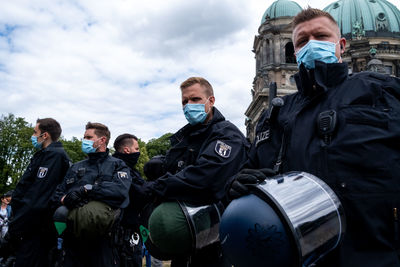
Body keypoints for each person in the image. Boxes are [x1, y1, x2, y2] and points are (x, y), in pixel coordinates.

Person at [228, 7, 400, 267]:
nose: (311, 45)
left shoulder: (381, 91)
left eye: (321, 36)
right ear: (295, 52)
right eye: (302, 41)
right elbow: (254, 173)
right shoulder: (275, 115)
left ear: (341, 45)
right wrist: (241, 186)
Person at [143, 77, 249, 267]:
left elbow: (204, 179)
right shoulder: (184, 138)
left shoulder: (226, 134)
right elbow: (170, 170)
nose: (188, 106)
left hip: (216, 239)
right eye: (184, 102)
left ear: (211, 101)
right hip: (186, 236)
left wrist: (156, 187)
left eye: (195, 99)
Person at [52, 122, 132, 267]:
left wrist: (87, 190)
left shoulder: (117, 165)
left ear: (102, 140)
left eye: (88, 137)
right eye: (84, 137)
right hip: (72, 243)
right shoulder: (76, 167)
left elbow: (120, 192)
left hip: (103, 242)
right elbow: (56, 195)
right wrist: (66, 199)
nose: (84, 140)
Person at [8, 118, 71, 267]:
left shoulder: (54, 156)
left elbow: (37, 196)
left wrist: (15, 227)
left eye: (35, 132)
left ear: (45, 135)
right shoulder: (44, 154)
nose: (33, 135)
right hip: (30, 227)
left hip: (36, 228)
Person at [112, 133, 146, 267]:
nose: (138, 152)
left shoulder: (129, 169)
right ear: (127, 150)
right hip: (124, 230)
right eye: (137, 149)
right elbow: (140, 193)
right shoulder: (120, 169)